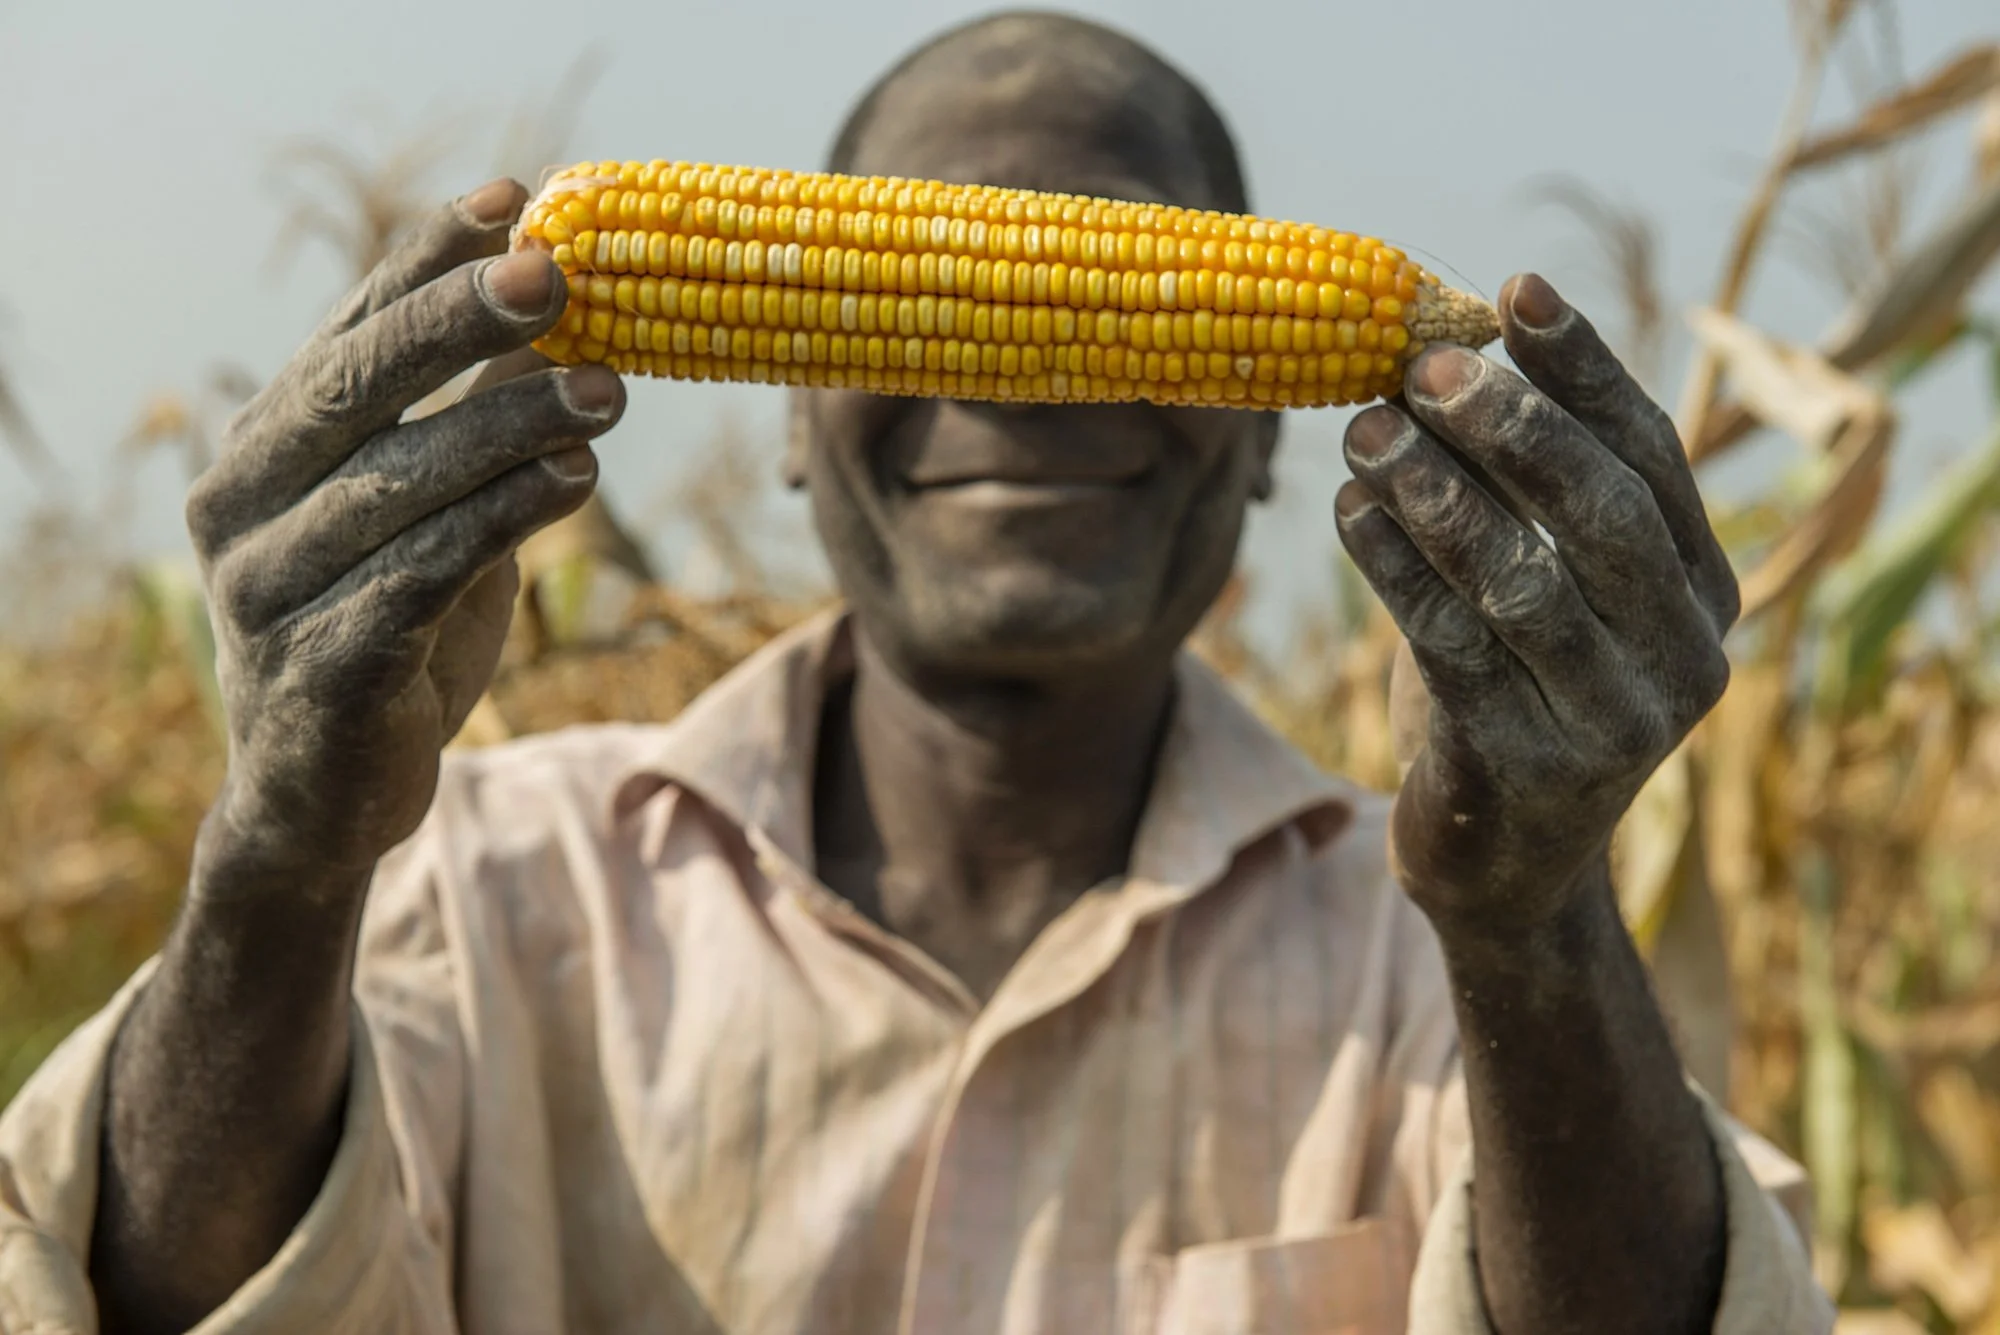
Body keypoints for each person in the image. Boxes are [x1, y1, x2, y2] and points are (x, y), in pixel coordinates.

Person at [0, 11, 1831, 1335]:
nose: (1030, 383)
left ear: (1276, 438)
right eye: (975, 279)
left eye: (1139, 287)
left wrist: (1529, 921)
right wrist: (279, 862)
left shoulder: (1444, 959)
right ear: (795, 424)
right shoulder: (462, 895)